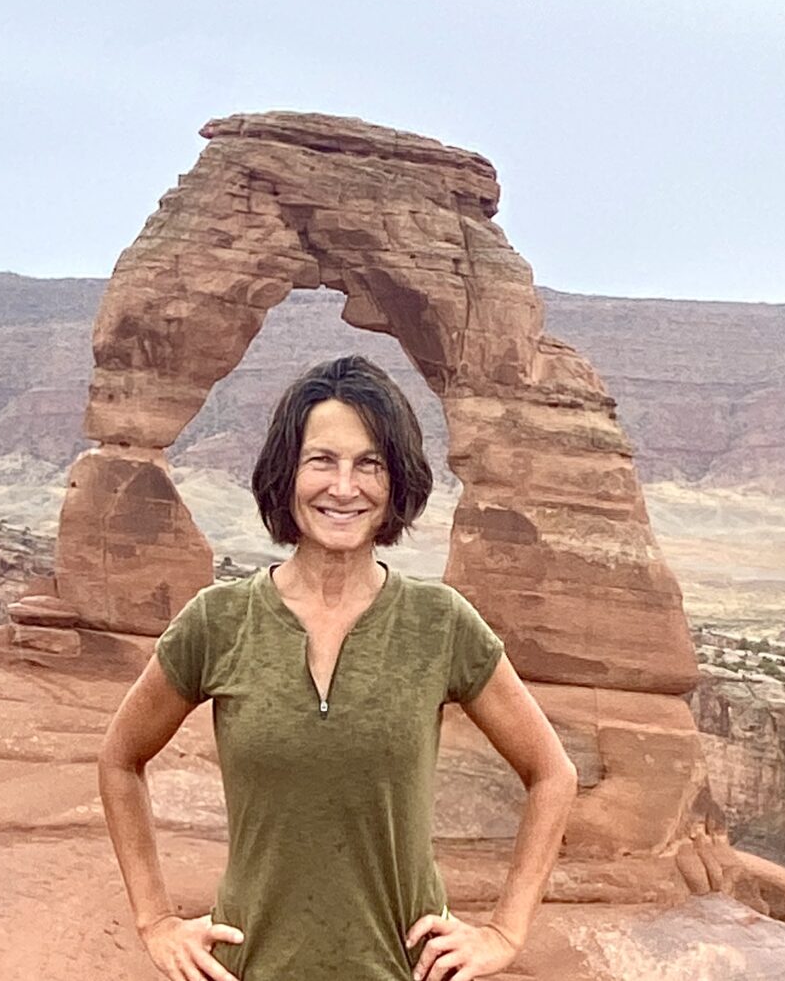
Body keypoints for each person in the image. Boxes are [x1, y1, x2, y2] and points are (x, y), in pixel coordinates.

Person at [98, 355, 579, 981]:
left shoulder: (439, 623)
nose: (345, 487)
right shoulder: (218, 622)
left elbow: (552, 773)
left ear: (396, 480)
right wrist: (156, 921)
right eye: (322, 460)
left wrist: (504, 931)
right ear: (287, 472)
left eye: (369, 464)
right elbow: (120, 758)